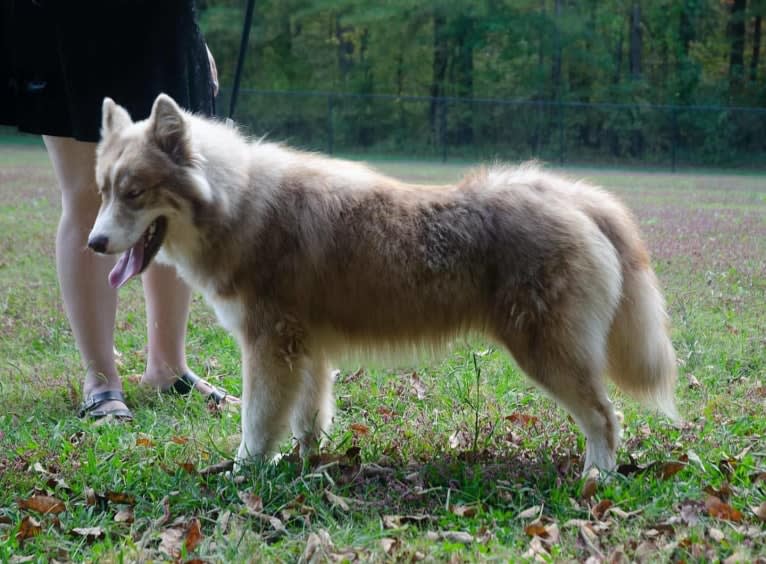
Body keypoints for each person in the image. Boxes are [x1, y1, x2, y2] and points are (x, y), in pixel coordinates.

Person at [0, 0, 238, 420]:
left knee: (166, 189)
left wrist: (192, 35)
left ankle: (169, 368)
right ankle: (101, 380)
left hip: (160, 22)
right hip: (64, 24)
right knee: (87, 194)